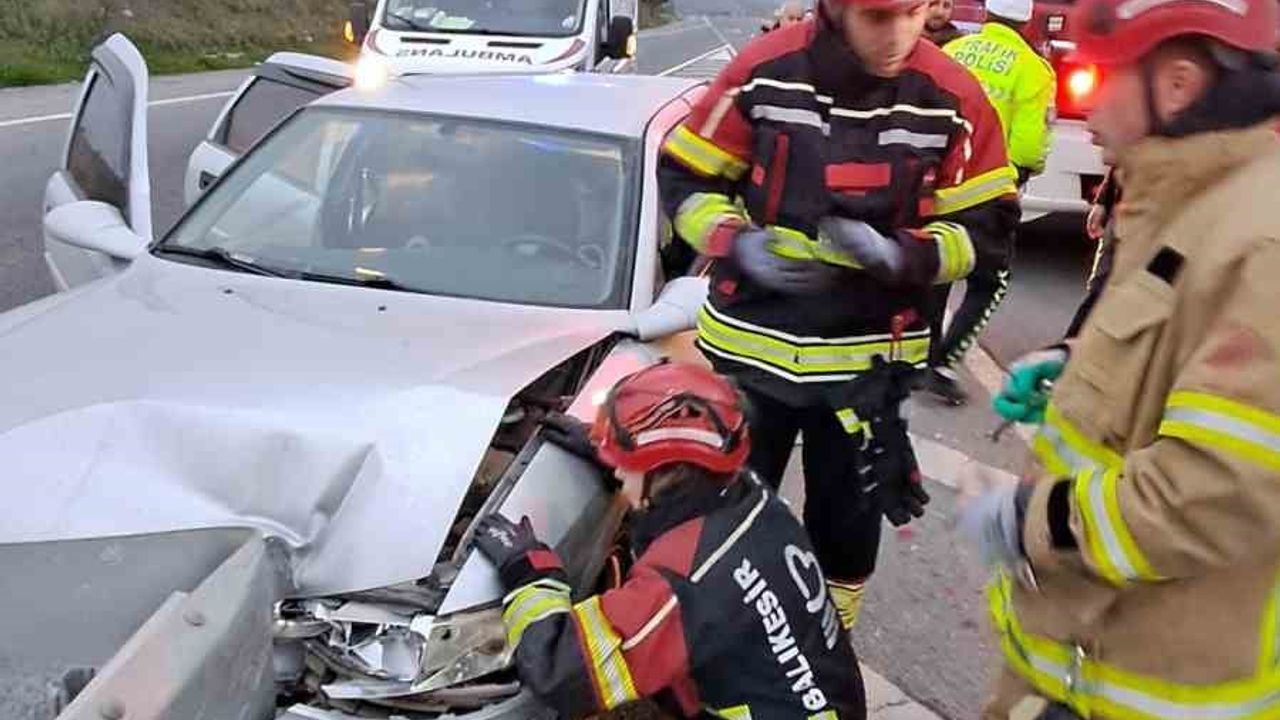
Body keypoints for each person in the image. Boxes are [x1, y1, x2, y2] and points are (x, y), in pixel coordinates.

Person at [960, 0, 1280, 716]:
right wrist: (1082, 365)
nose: (1088, 109)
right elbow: (1182, 346)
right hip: (1097, 663)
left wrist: (1024, 521)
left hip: (1154, 691)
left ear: (1177, 85)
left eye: (1100, 76)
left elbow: (1213, 494)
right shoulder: (1198, 205)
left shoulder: (1261, 244)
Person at [658, 0, 1020, 628]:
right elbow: (687, 178)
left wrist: (904, 257)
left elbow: (985, 233)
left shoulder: (952, 95)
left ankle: (831, 643)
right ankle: (717, 649)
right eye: (879, 17)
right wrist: (734, 240)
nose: (898, 36)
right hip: (748, 355)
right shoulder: (764, 70)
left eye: (912, 15)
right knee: (721, 517)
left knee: (847, 529)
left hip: (868, 369)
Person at [473, 362, 868, 718]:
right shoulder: (747, 494)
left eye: (625, 470)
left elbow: (563, 672)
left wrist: (529, 575)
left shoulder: (682, 581)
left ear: (666, 473)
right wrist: (609, 448)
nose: (620, 480)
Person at [921, 0, 1056, 405]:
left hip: (940, 178)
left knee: (939, 266)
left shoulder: (955, 51)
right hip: (989, 189)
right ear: (1027, 17)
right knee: (989, 280)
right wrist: (1024, 170)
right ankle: (943, 360)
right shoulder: (1033, 70)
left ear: (986, 13)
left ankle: (921, 356)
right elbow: (1029, 147)